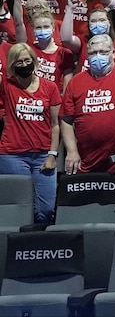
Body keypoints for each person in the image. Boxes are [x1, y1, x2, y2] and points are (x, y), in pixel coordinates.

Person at [59, 34, 115, 175]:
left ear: (113, 53)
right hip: (89, 162)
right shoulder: (76, 82)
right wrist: (71, 151)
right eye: (93, 53)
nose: (98, 56)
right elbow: (66, 119)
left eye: (103, 52)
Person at [0, 43, 62, 224]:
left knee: (46, 209)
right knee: (21, 208)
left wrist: (52, 154)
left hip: (43, 155)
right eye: (19, 62)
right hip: (12, 155)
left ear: (34, 62)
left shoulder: (49, 87)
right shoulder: (7, 85)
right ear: (12, 66)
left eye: (27, 60)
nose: (24, 65)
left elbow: (55, 125)